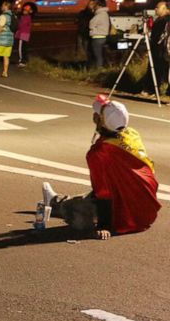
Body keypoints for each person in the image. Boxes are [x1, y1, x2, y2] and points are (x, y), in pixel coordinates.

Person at [41, 96, 159, 239]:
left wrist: (104, 225)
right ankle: (60, 201)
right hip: (146, 212)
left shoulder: (98, 153)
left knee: (80, 212)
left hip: (127, 216)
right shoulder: (131, 134)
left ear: (101, 121)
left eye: (97, 115)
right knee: (100, 190)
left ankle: (57, 203)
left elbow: (103, 193)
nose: (94, 116)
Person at [145, 1, 169, 95]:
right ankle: (153, 89)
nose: (155, 9)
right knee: (157, 70)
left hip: (161, 50)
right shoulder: (159, 19)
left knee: (159, 70)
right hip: (159, 50)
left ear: (164, 8)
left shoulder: (164, 20)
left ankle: (153, 89)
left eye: (157, 7)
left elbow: (160, 36)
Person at [87, 0, 110, 69]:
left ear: (99, 6)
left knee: (97, 55)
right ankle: (102, 67)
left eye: (95, 5)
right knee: (101, 55)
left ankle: (99, 69)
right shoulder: (105, 14)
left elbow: (91, 24)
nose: (94, 6)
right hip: (103, 37)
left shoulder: (99, 15)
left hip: (97, 37)